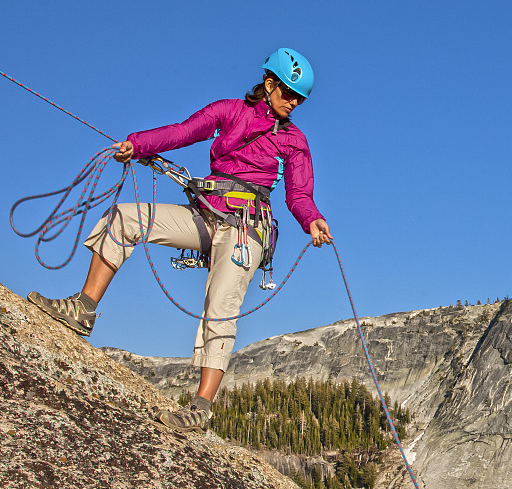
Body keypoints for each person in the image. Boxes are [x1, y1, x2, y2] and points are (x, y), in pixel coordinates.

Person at [26, 47, 332, 432]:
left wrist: (313, 220)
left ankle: (200, 409)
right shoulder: (229, 111)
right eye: (288, 92)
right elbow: (184, 132)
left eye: (299, 97)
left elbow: (298, 194)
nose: (294, 101)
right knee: (124, 217)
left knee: (221, 304)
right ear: (269, 84)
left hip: (246, 230)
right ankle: (83, 310)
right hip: (205, 217)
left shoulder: (294, 140)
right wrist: (138, 145)